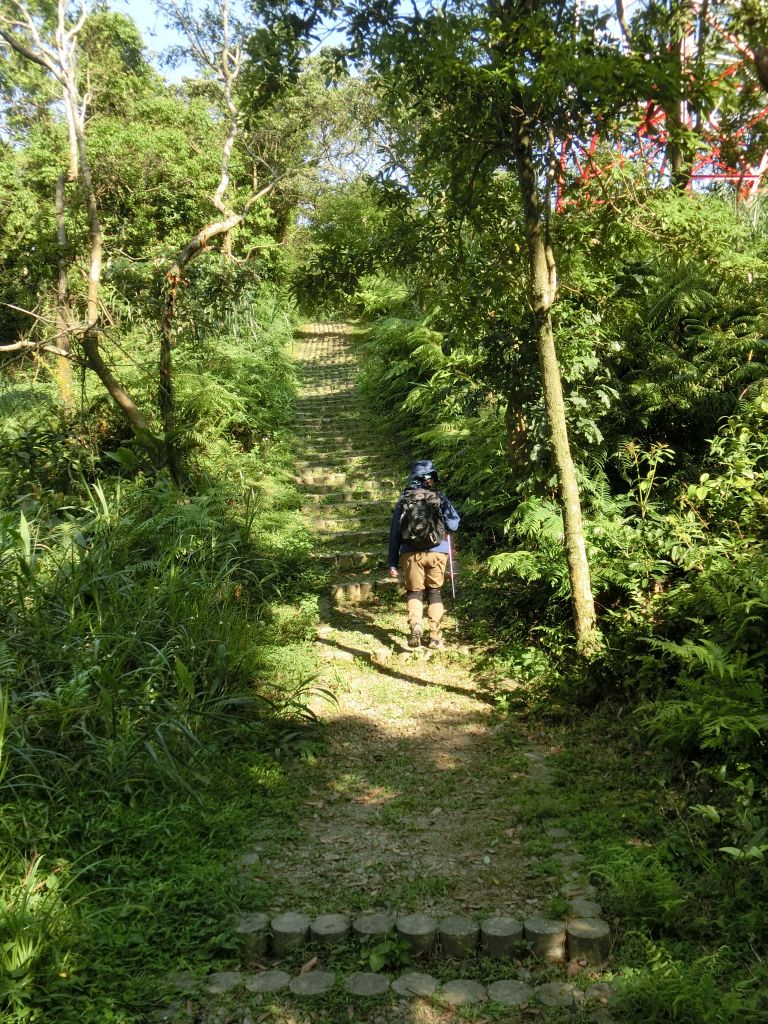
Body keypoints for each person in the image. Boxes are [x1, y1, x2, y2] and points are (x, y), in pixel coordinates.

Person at [388, 459, 460, 649]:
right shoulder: (439, 498)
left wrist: (392, 562)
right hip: (438, 552)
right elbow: (454, 524)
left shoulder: (404, 500)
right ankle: (435, 637)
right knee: (434, 592)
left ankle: (416, 626)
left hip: (411, 553)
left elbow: (395, 533)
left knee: (414, 592)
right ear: (431, 479)